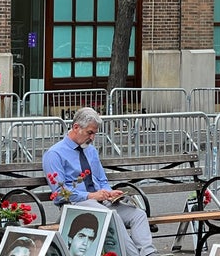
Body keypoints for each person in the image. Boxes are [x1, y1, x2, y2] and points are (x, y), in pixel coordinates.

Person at [43, 107, 159, 256]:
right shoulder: (54, 154)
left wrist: (110, 193)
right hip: (76, 204)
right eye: (89, 133)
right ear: (76, 127)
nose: (92, 138)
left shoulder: (90, 150)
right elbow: (60, 194)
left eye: (95, 134)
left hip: (102, 202)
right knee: (112, 216)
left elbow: (101, 180)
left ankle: (149, 254)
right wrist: (91, 196)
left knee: (138, 215)